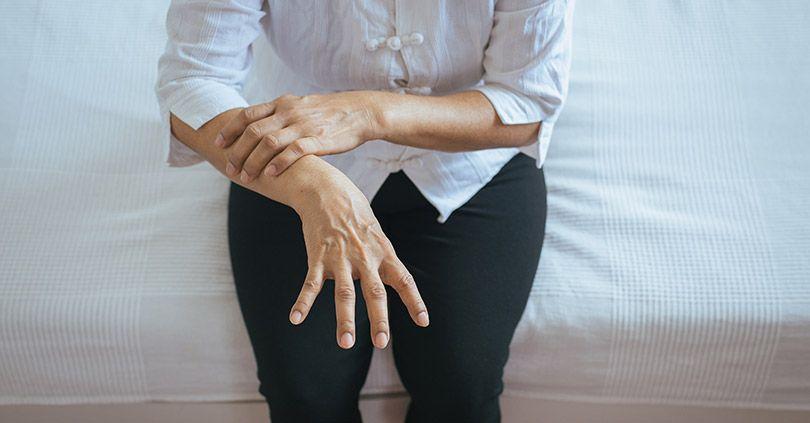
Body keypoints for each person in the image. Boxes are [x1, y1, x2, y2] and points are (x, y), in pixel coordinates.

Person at [156, 1, 574, 421]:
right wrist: (315, 187)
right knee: (305, 397)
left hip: (470, 165)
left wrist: (370, 112)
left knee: (461, 391)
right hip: (292, 162)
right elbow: (192, 80)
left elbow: (527, 98)